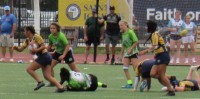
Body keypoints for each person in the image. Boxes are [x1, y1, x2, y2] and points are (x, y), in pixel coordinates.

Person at [13, 26, 65, 92]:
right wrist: (15, 48)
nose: (24, 32)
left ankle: (40, 82)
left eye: (25, 31)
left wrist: (36, 50)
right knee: (47, 76)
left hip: (44, 56)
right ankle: (60, 87)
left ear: (29, 31)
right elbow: (21, 49)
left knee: (29, 69)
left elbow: (43, 46)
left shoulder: (36, 36)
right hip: (46, 57)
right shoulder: (28, 40)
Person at [139, 20, 175, 96]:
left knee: (161, 75)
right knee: (152, 74)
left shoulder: (154, 34)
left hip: (163, 55)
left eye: (147, 26)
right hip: (159, 56)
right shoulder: (154, 34)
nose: (146, 28)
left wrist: (144, 52)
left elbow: (155, 46)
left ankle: (171, 90)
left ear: (150, 27)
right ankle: (170, 80)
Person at [118, 20, 139, 88]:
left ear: (126, 25)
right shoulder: (123, 33)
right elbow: (123, 45)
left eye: (121, 25)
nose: (120, 27)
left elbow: (136, 41)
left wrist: (131, 49)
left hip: (133, 52)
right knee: (125, 68)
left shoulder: (130, 32)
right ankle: (129, 83)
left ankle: (144, 81)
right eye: (119, 25)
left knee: (136, 69)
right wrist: (121, 55)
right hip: (127, 53)